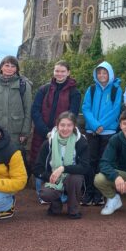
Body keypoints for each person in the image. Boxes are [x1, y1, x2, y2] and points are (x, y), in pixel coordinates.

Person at [30, 60, 81, 202]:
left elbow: (73, 114)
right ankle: (43, 193)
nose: (59, 74)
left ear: (68, 73)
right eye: (57, 71)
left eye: (63, 71)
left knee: (63, 160)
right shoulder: (44, 89)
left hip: (63, 133)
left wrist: (58, 131)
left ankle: (62, 192)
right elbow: (35, 110)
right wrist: (45, 131)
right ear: (53, 72)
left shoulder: (74, 92)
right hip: (42, 132)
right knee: (40, 160)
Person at [33, 112, 89, 219]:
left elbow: (85, 167)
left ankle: (73, 209)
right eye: (62, 125)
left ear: (74, 126)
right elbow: (37, 168)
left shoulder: (81, 142)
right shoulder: (48, 143)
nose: (65, 128)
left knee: (75, 179)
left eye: (69, 125)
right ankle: (55, 206)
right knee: (45, 193)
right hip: (54, 178)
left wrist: (63, 168)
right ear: (57, 125)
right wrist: (50, 176)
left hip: (72, 177)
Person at [81, 61, 122, 206]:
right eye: (99, 72)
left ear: (110, 74)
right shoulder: (91, 89)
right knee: (90, 162)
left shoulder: (116, 90)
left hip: (108, 132)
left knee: (103, 163)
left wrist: (102, 125)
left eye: (105, 72)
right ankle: (88, 192)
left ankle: (99, 193)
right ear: (96, 74)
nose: (102, 75)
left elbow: (116, 110)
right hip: (92, 132)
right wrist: (95, 125)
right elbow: (86, 108)